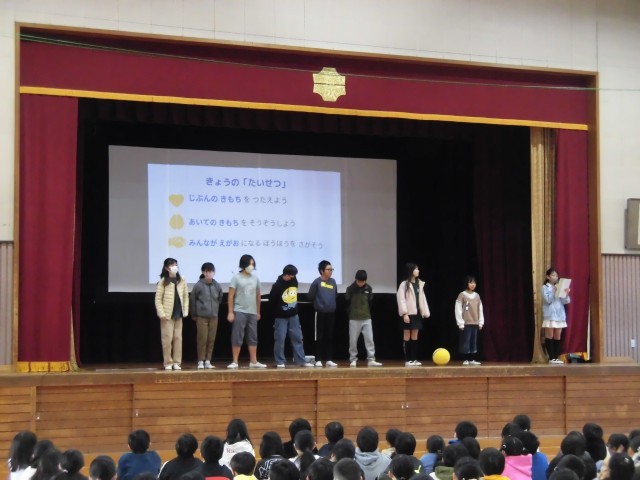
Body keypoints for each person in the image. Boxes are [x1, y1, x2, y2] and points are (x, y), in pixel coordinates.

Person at [269, 264, 314, 368]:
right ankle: (280, 361)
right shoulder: (277, 285)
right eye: (290, 276)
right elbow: (272, 301)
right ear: (285, 274)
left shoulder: (294, 281)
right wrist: (278, 311)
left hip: (294, 315)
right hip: (280, 316)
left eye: (293, 275)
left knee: (298, 338)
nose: (292, 277)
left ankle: (301, 360)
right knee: (280, 339)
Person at [227, 254, 265, 369]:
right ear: (243, 264)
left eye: (253, 264)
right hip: (239, 310)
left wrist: (258, 312)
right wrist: (230, 312)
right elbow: (230, 296)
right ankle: (235, 361)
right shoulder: (236, 278)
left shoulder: (255, 279)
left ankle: (253, 361)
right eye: (249, 264)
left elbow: (258, 296)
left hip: (252, 312)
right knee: (237, 336)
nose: (251, 266)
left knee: (253, 337)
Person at [155, 257, 189, 370]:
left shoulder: (182, 280)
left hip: (179, 314)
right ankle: (168, 362)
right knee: (167, 339)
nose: (174, 267)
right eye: (172, 265)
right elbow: (158, 299)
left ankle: (177, 362)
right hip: (167, 315)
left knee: (178, 339)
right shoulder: (163, 282)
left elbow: (185, 296)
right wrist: (161, 313)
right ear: (166, 268)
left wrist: (185, 310)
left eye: (175, 264)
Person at [190, 262, 223, 369]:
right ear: (204, 272)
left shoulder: (216, 285)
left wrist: (215, 308)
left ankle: (208, 360)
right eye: (208, 271)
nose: (210, 273)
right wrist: (194, 314)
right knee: (202, 339)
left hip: (214, 316)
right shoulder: (198, 285)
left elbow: (220, 297)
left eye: (212, 271)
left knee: (211, 339)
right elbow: (192, 300)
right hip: (202, 316)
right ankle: (201, 360)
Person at [345, 270, 382, 368]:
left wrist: (366, 313)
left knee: (369, 339)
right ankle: (353, 359)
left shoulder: (368, 288)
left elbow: (370, 302)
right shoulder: (350, 289)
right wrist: (351, 314)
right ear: (356, 279)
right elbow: (347, 303)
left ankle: (371, 359)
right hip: (354, 318)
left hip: (366, 318)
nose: (361, 283)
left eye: (363, 281)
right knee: (353, 341)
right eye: (359, 281)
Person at [396, 263, 430, 366]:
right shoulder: (404, 284)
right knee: (407, 335)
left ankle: (414, 359)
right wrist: (404, 313)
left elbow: (423, 299)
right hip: (408, 313)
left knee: (415, 336)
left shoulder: (420, 283)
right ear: (411, 271)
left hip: (417, 313)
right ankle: (408, 360)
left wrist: (425, 312)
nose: (418, 271)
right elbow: (401, 299)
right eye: (416, 269)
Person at [308, 260, 338, 367]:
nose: (331, 271)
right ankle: (318, 359)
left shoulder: (333, 281)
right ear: (322, 271)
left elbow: (335, 295)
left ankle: (329, 359)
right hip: (320, 313)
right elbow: (310, 296)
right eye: (328, 269)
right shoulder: (316, 282)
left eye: (331, 269)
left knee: (329, 336)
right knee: (319, 336)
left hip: (331, 312)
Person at [542, 268, 571, 364]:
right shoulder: (545, 287)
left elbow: (566, 301)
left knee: (557, 336)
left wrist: (566, 293)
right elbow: (548, 300)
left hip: (560, 314)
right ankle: (551, 358)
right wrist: (553, 292)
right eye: (553, 275)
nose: (556, 277)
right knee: (549, 336)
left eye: (556, 275)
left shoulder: (559, 286)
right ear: (548, 277)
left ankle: (556, 357)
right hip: (550, 314)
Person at [455, 275, 484, 366]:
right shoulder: (462, 295)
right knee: (465, 341)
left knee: (473, 341)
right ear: (466, 283)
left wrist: (480, 322)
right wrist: (460, 323)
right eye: (470, 282)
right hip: (466, 323)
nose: (472, 284)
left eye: (474, 282)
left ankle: (472, 359)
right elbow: (458, 309)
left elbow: (480, 309)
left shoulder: (477, 296)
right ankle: (466, 359)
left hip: (475, 322)